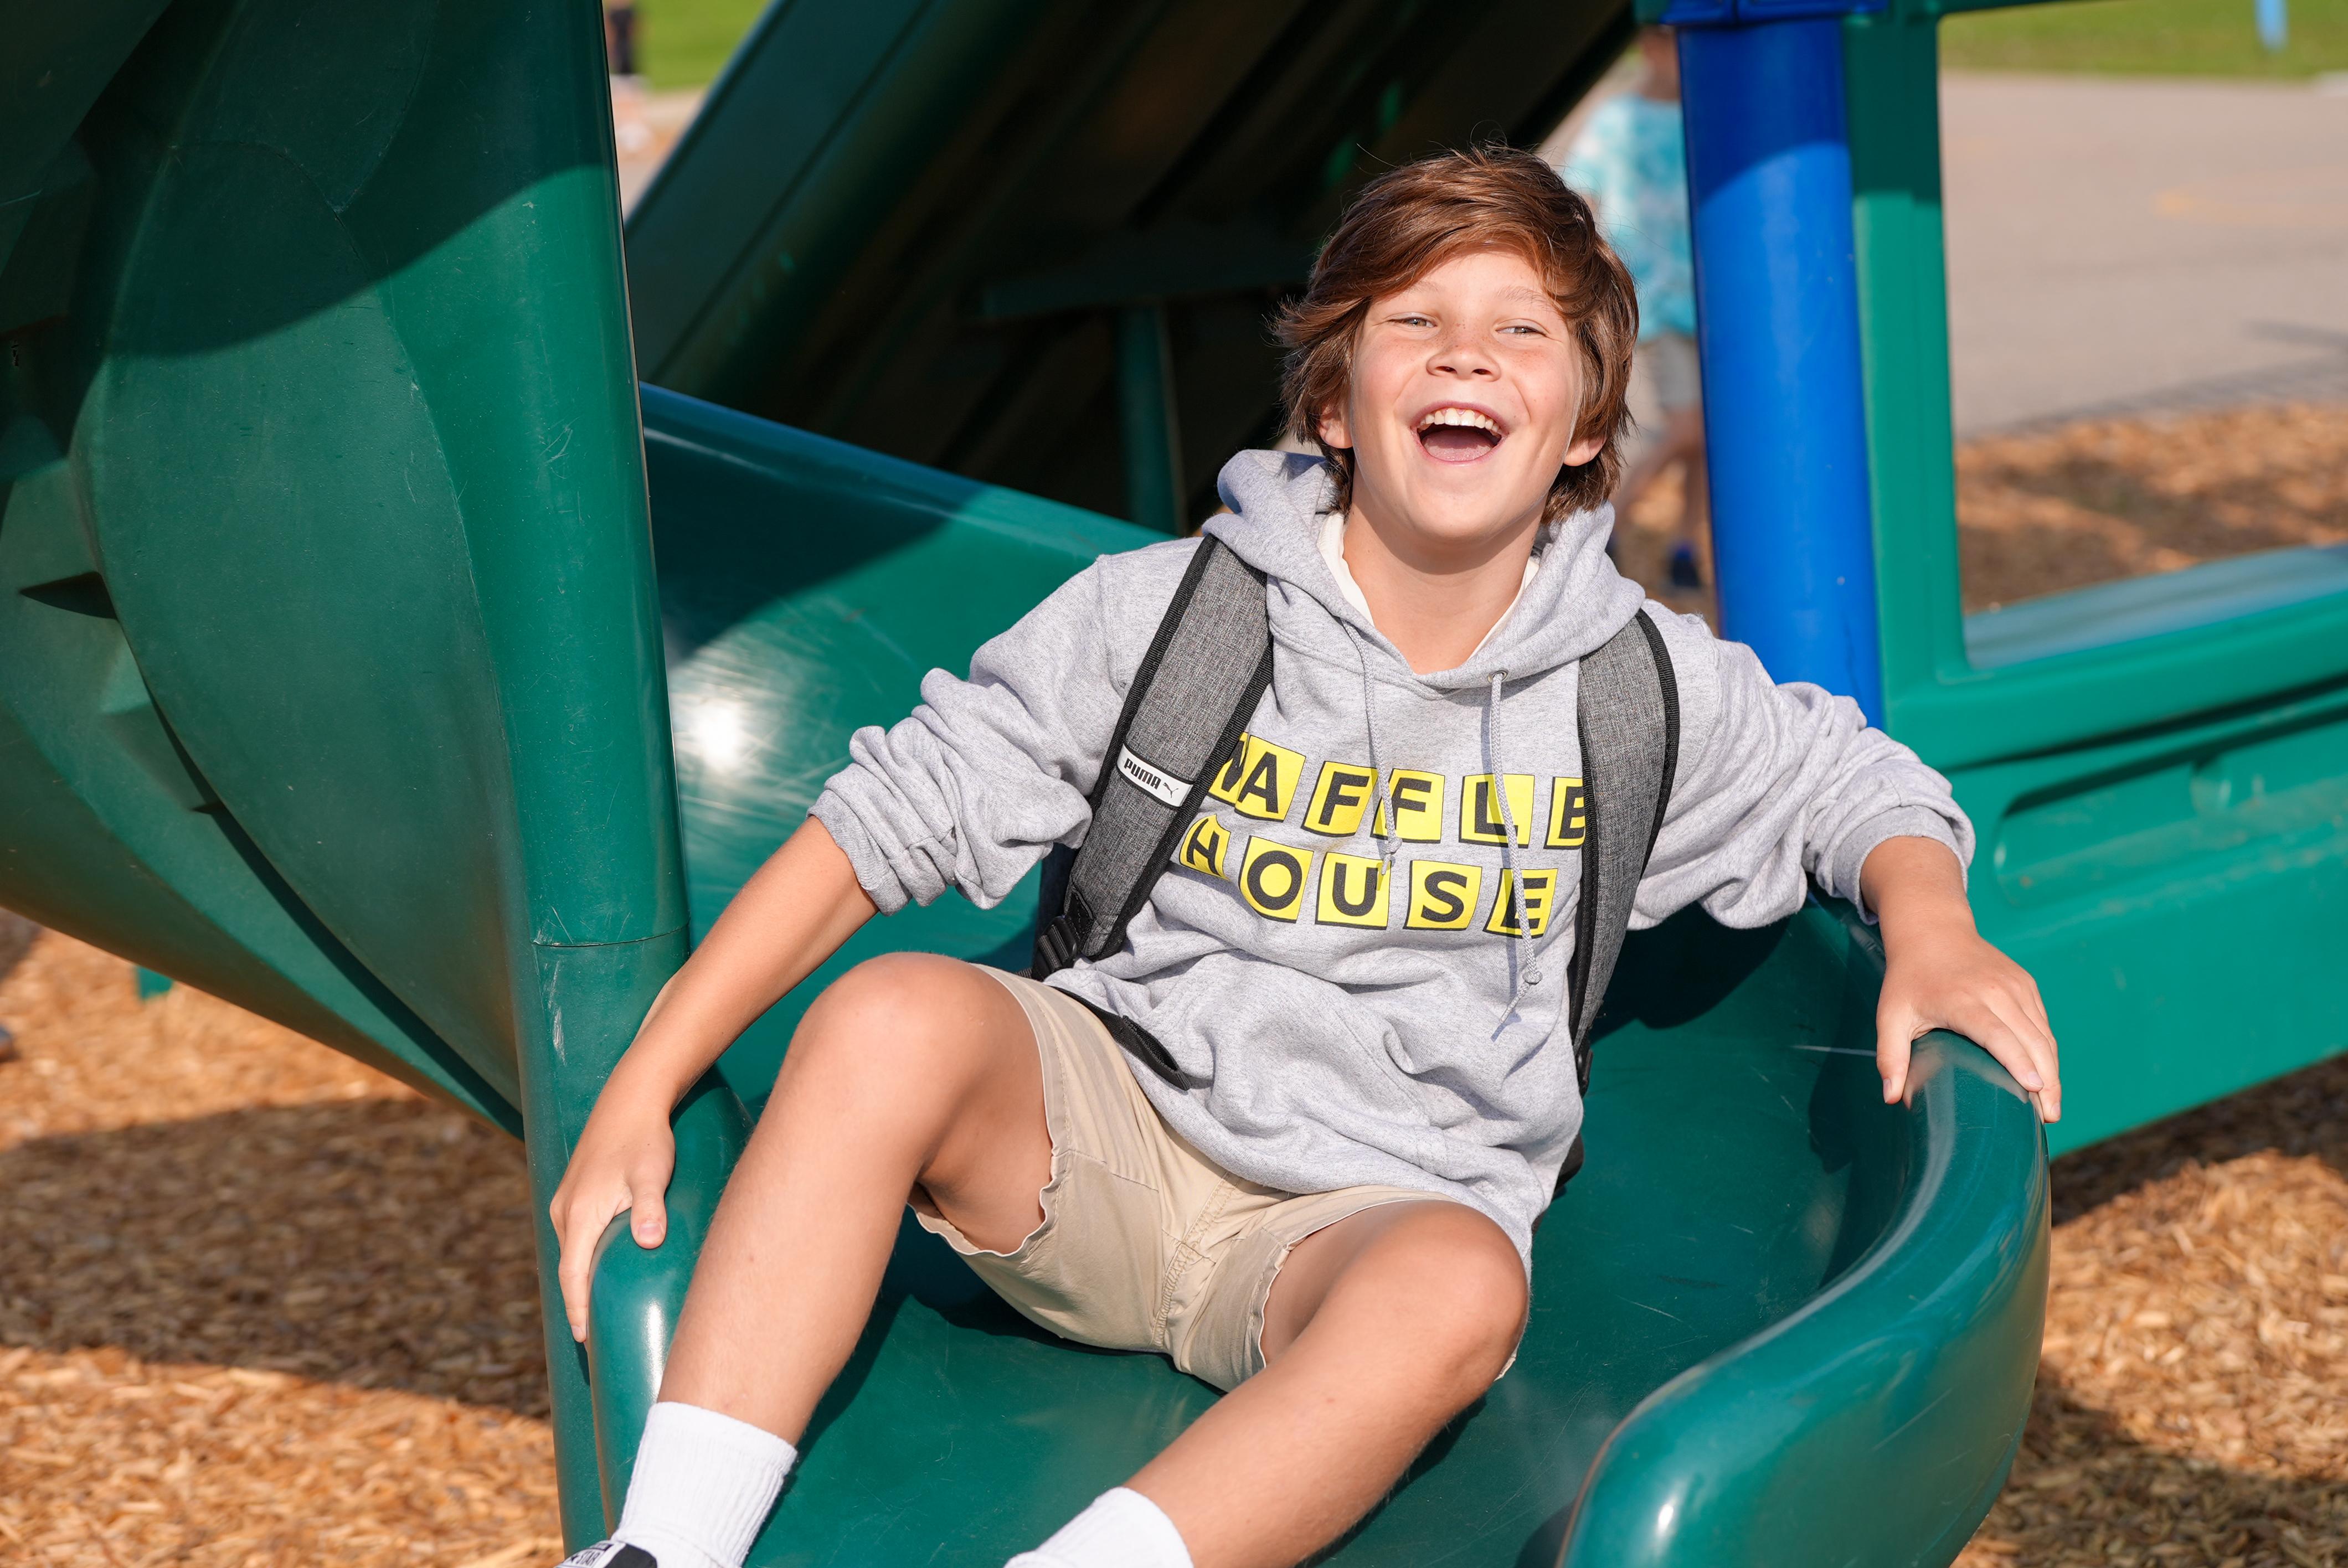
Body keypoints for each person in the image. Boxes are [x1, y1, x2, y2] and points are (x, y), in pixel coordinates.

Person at [548, 146, 2061, 1568]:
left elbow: (1857, 780)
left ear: (1591, 426)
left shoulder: (1636, 688)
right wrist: (645, 1077)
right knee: (886, 1018)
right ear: (1337, 403)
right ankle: (663, 1540)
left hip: (1365, 1223)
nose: (1468, 356)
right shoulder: (1174, 620)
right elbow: (878, 823)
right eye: (1418, 322)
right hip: (1102, 1147)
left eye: (1523, 332)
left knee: (1462, 1288)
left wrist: (1928, 924)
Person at [1562, 26, 1707, 590]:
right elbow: (1579, 189)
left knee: (1709, 440)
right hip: (1658, 296)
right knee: (1689, 427)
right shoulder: (1618, 118)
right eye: (1677, 44)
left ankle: (1685, 547)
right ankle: (1604, 524)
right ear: (1650, 46)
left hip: (1711, 298)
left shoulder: (1703, 111)